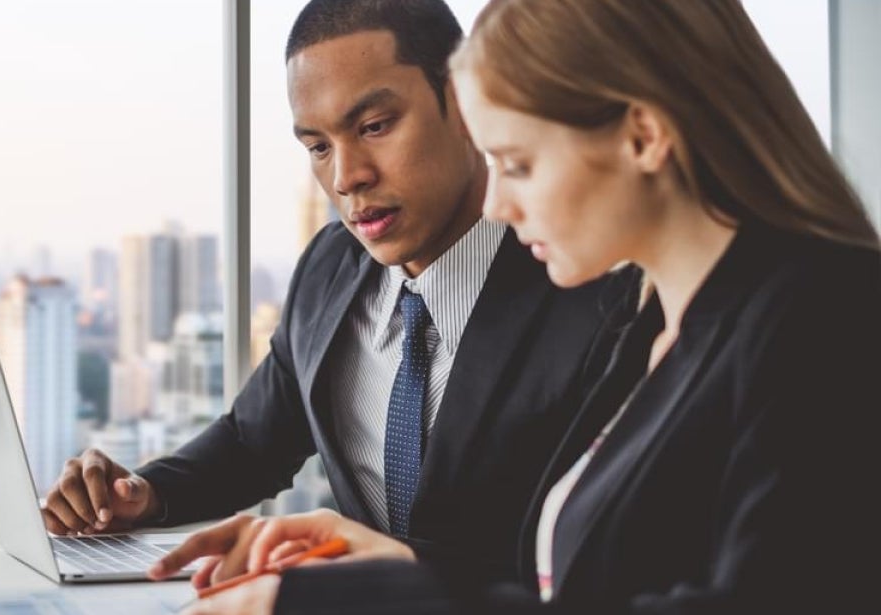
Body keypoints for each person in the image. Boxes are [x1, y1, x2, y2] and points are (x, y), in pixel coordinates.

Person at [152, 0, 881, 612]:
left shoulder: (822, 317)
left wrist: (339, 599)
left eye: (518, 163)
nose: (497, 201)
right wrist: (384, 561)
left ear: (644, 133)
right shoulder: (665, 332)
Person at [42, 0, 633, 588]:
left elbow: (605, 561)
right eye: (319, 147)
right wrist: (141, 495)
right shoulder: (331, 267)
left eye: (374, 127)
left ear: (464, 103)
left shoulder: (589, 291)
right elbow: (253, 442)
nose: (347, 176)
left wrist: (387, 580)